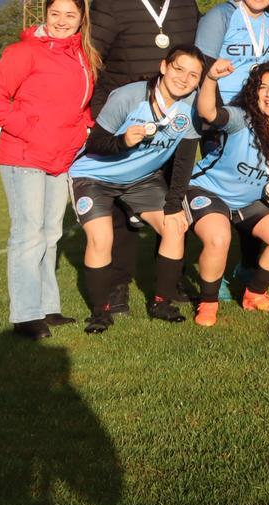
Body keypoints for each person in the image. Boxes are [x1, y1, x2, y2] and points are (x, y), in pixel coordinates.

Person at [88, 0, 200, 315]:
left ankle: (169, 282)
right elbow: (90, 61)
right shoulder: (110, 2)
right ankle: (118, 283)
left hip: (171, 121)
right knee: (119, 206)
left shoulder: (185, 1)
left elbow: (192, 59)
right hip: (123, 119)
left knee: (171, 199)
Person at [0, 0, 100, 340]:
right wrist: (30, 130)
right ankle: (26, 315)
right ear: (45, 16)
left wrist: (82, 132)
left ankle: (48, 307)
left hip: (61, 158)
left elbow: (80, 107)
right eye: (55, 14)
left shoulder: (83, 55)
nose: (62, 21)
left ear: (81, 20)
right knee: (28, 235)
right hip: (24, 155)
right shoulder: (23, 52)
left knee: (50, 235)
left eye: (70, 15)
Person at [67, 46, 204, 332]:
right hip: (95, 177)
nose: (184, 78)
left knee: (175, 226)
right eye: (179, 69)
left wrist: (173, 204)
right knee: (101, 239)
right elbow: (95, 144)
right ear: (164, 66)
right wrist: (123, 142)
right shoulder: (128, 96)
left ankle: (161, 303)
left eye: (193, 75)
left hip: (142, 180)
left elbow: (184, 161)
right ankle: (100, 312)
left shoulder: (193, 106)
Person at [188, 61, 269, 325]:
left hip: (248, 202)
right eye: (263, 87)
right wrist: (210, 78)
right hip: (209, 191)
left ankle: (255, 295)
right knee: (219, 237)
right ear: (254, 94)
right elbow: (208, 112)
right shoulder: (241, 120)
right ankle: (208, 303)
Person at [195, 0, 269, 103]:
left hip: (263, 104)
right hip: (226, 104)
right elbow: (201, 66)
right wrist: (218, 112)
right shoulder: (221, 15)